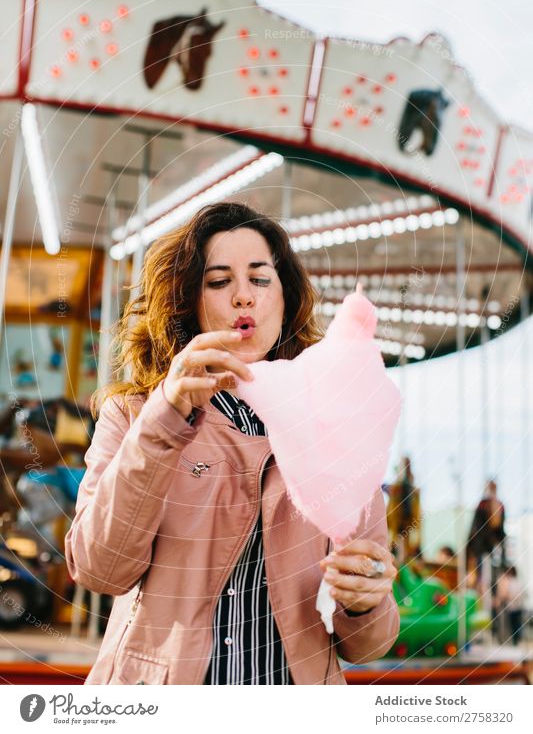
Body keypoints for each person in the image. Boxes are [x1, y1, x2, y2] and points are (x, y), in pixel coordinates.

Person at [65, 201, 399, 685]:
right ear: (190, 300)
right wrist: (165, 416)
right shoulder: (134, 414)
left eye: (261, 280)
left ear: (285, 299)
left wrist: (363, 599)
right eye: (219, 281)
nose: (243, 297)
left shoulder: (337, 423)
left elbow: (369, 644)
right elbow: (101, 569)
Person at [494, 566, 524, 646]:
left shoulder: (511, 582)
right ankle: (515, 641)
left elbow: (506, 594)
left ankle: (513, 640)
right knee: (515, 624)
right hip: (515, 606)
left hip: (512, 607)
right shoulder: (516, 582)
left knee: (513, 625)